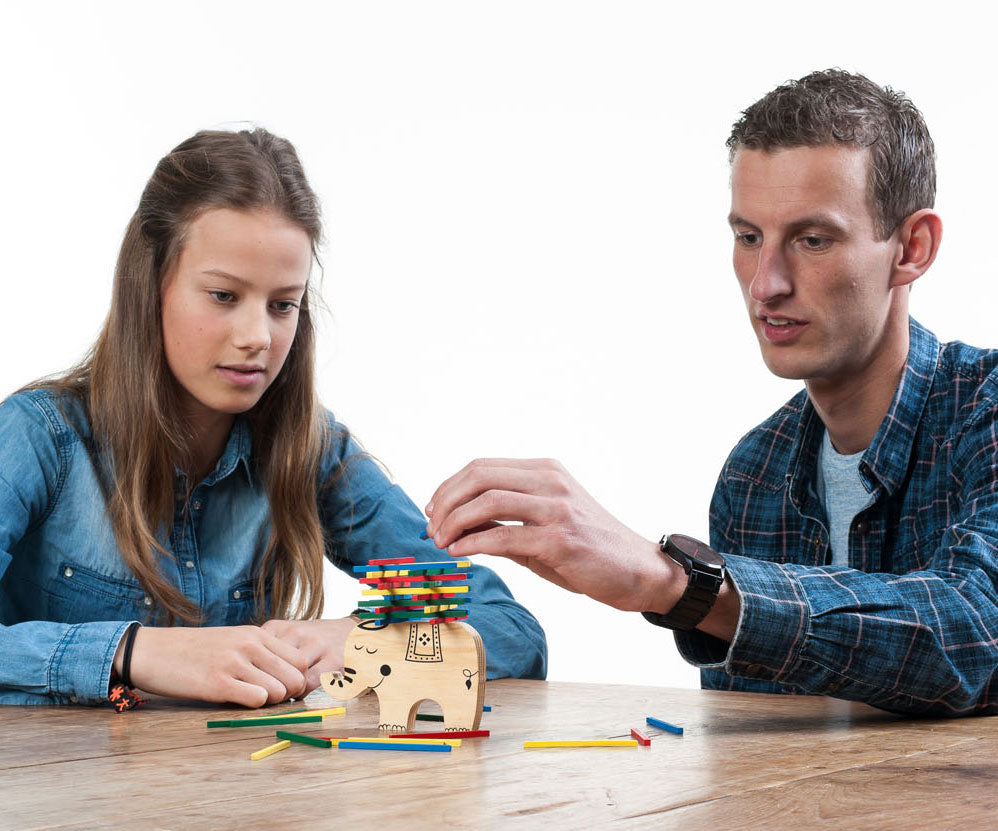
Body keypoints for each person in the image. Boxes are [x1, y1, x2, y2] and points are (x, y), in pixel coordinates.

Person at [423, 69, 998, 718]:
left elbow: (976, 633)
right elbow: (750, 755)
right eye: (749, 237)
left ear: (912, 248)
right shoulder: (754, 476)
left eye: (813, 239)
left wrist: (674, 582)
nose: (766, 285)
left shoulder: (986, 409)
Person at [0, 127, 545, 709]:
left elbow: (509, 627)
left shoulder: (312, 450)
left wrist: (369, 640)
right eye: (223, 296)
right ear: (148, 287)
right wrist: (133, 652)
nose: (258, 337)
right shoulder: (39, 438)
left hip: (241, 795)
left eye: (283, 304)